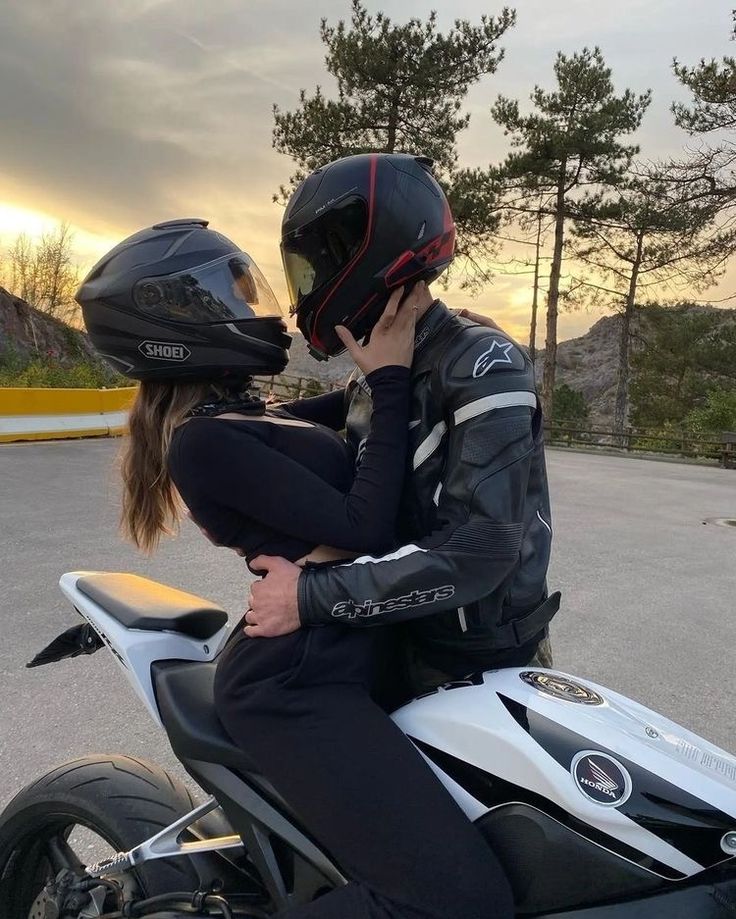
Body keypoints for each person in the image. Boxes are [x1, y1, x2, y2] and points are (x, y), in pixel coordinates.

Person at [75, 218, 516, 919]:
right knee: (455, 903)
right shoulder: (203, 444)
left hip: (344, 643)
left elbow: (360, 407)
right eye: (235, 293)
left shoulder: (250, 413)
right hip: (296, 681)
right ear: (178, 320)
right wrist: (395, 376)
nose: (260, 308)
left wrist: (438, 335)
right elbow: (360, 524)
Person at [245, 152, 557, 705]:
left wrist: (310, 597)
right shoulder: (382, 371)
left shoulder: (485, 363)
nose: (306, 293)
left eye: (314, 269)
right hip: (398, 636)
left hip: (483, 666)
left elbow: (482, 549)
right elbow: (289, 422)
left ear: (368, 255)